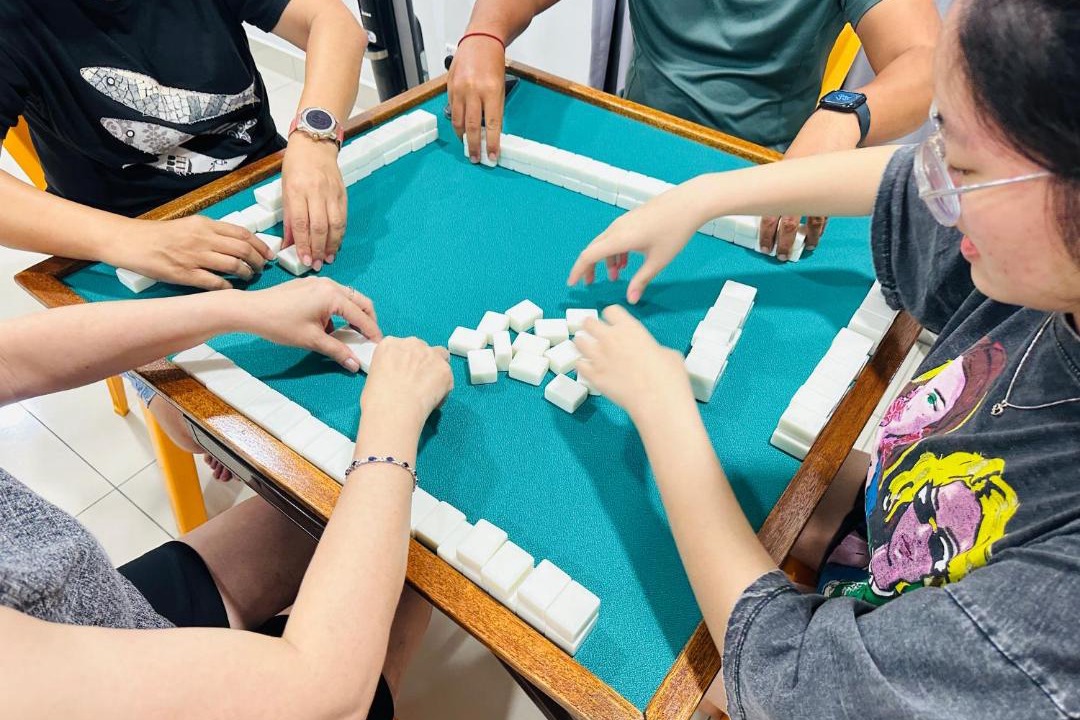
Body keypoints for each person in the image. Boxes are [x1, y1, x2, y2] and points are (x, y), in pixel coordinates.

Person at [566, 0, 1080, 715]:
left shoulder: (1050, 627)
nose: (937, 187)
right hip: (872, 559)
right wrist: (707, 195)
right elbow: (902, 179)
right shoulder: (1045, 269)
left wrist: (661, 405)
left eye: (960, 164)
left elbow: (790, 681)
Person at [0, 276, 455, 720]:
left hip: (96, 610)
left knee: (338, 513)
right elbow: (324, 695)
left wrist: (243, 309)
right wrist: (394, 416)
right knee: (415, 563)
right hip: (87, 675)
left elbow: (10, 361)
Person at [449, 0, 941, 261]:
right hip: (635, 141)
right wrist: (485, 30)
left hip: (763, 179)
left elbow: (924, 60)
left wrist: (842, 116)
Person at [0, 0, 366, 282]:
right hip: (129, 239)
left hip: (264, 181)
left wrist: (313, 140)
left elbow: (333, 23)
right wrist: (128, 238)